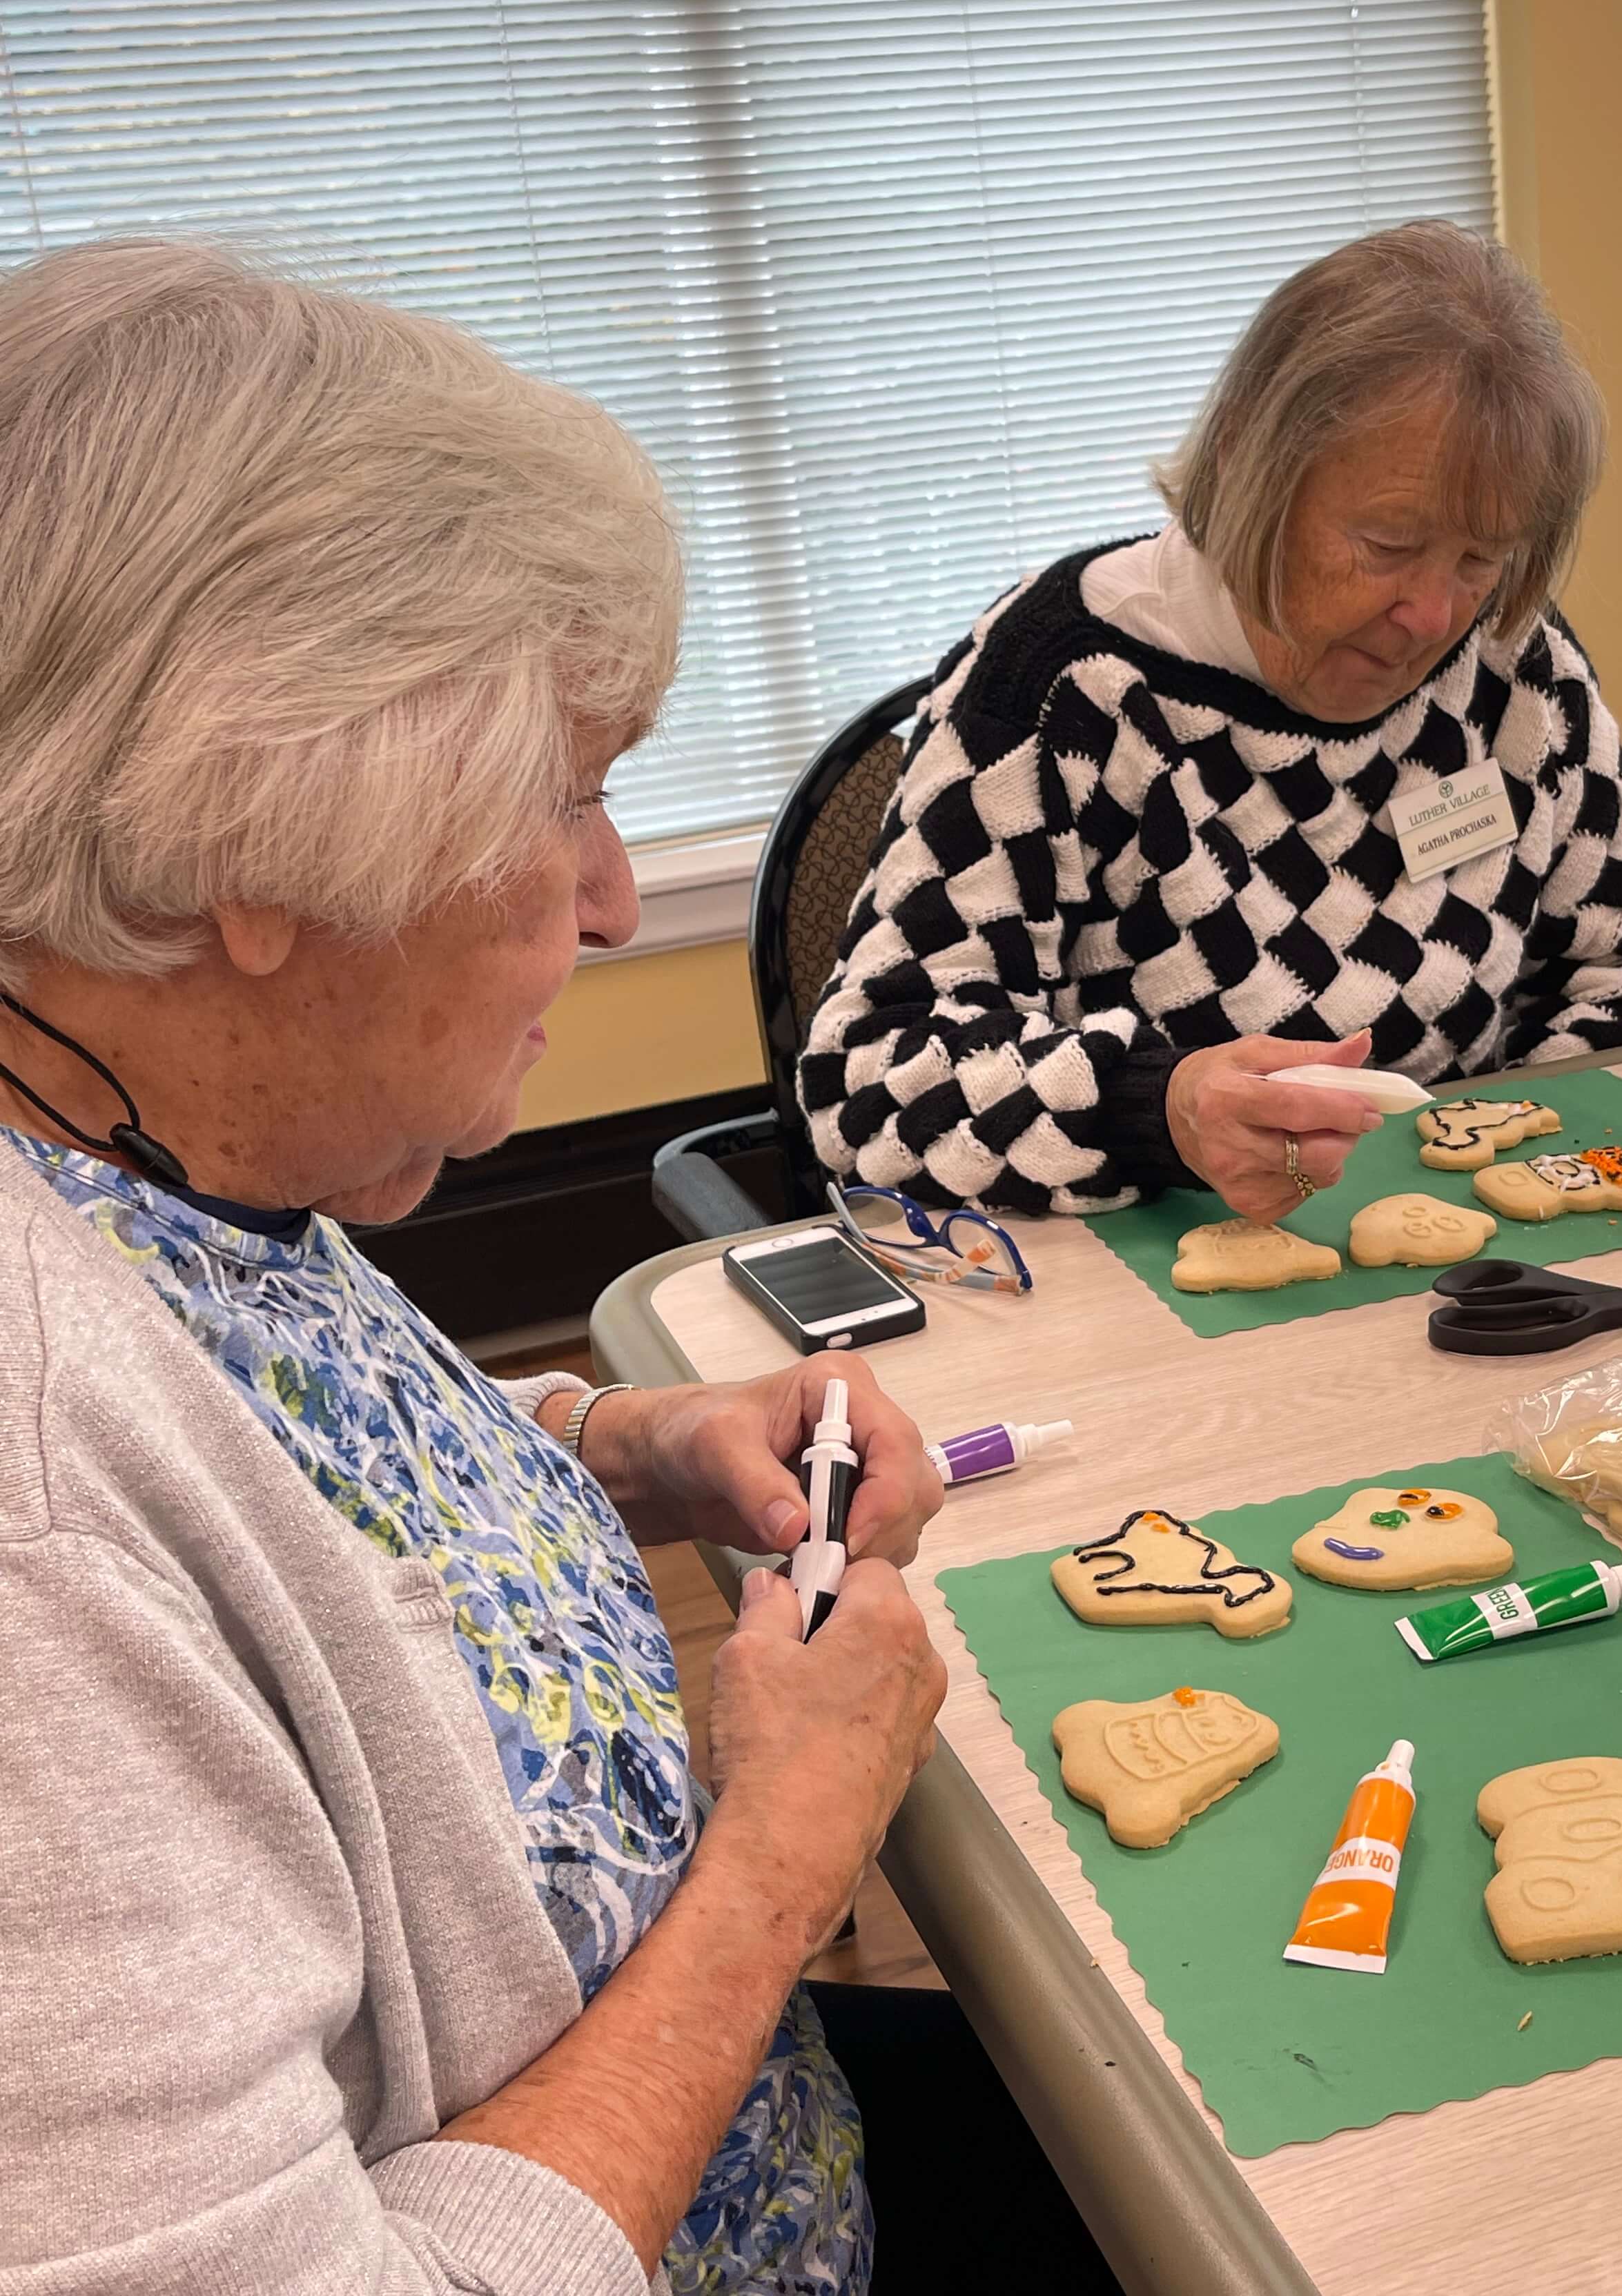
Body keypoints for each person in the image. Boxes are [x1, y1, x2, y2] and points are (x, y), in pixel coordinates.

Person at [0, 239, 1115, 2296]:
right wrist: (779, 1865)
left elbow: (293, 1512)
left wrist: (629, 1438)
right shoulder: (28, 1533)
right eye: (571, 799)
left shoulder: (129, 1118)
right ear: (262, 839)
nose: (613, 901)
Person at [802, 221, 1622, 1220]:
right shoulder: (1064, 687)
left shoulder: (1512, 663)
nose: (1433, 618)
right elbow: (872, 1079)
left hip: (1463, 1245)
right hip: (1152, 1254)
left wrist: (1493, 1174)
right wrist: (1160, 1111)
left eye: (1478, 559)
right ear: (1248, 466)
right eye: (1387, 543)